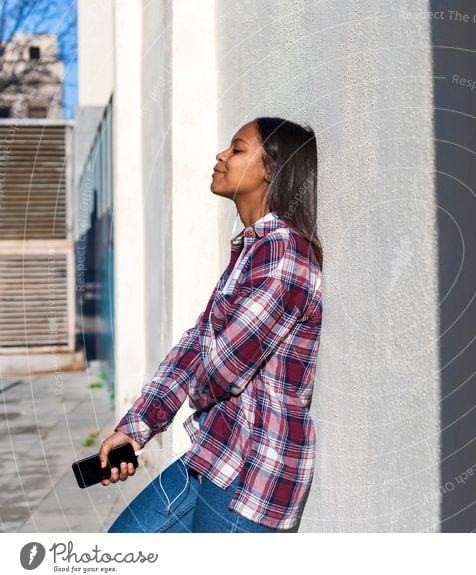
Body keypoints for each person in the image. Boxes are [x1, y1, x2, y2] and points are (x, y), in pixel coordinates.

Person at [100, 117, 323, 533]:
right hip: (213, 452)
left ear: (271, 170)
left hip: (253, 472)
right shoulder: (250, 251)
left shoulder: (284, 255)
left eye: (237, 150)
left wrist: (198, 381)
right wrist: (135, 429)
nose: (222, 156)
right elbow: (198, 346)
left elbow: (223, 367)